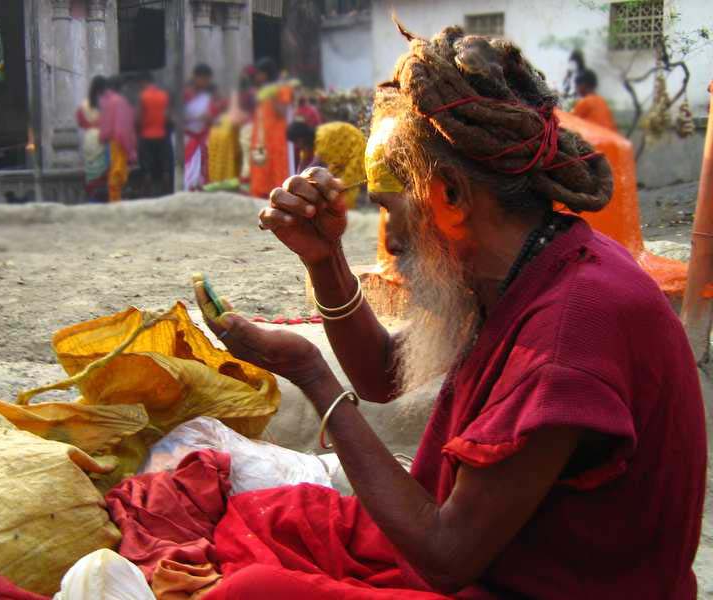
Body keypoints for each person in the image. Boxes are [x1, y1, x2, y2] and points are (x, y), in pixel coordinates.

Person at [196, 25, 706, 599]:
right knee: (269, 519)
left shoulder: (571, 328)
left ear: (454, 197)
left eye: (392, 211)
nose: (388, 243)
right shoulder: (527, 263)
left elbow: (445, 555)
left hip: (508, 575)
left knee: (248, 592)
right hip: (490, 553)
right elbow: (384, 374)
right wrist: (324, 259)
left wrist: (314, 377)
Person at [287, 120, 367, 209]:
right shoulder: (309, 143)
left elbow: (312, 168)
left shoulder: (322, 138)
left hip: (355, 148)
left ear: (301, 138)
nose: (296, 146)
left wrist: (299, 184)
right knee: (333, 186)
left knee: (345, 187)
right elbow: (302, 164)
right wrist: (295, 181)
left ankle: (347, 214)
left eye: (296, 142)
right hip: (341, 156)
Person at [249, 57, 293, 198]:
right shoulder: (262, 89)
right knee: (260, 163)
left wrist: (273, 95)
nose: (257, 77)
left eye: (259, 73)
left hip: (277, 135)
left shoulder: (282, 88)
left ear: (266, 73)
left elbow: (283, 112)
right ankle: (261, 192)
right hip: (262, 136)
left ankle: (279, 194)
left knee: (277, 164)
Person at [99, 76, 137, 202]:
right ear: (121, 87)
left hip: (109, 142)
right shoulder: (119, 101)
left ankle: (113, 200)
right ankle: (115, 201)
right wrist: (131, 150)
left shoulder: (106, 102)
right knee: (118, 173)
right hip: (118, 142)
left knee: (113, 172)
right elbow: (122, 129)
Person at [136, 71, 173, 197]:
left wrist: (137, 130)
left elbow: (139, 118)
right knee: (165, 166)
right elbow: (168, 116)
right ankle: (166, 189)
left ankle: (147, 191)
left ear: (143, 82)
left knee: (147, 167)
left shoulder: (143, 96)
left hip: (146, 135)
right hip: (162, 135)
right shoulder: (163, 96)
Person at [184, 64, 218, 191]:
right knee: (189, 171)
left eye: (207, 80)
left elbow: (214, 114)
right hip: (188, 138)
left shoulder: (208, 96)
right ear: (196, 78)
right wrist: (197, 118)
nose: (205, 82)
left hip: (203, 138)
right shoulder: (186, 94)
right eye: (203, 79)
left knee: (203, 172)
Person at [76, 76, 109, 202]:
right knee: (103, 172)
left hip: (89, 140)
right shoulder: (106, 103)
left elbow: (80, 121)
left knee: (92, 172)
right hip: (102, 139)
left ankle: (92, 199)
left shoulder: (84, 105)